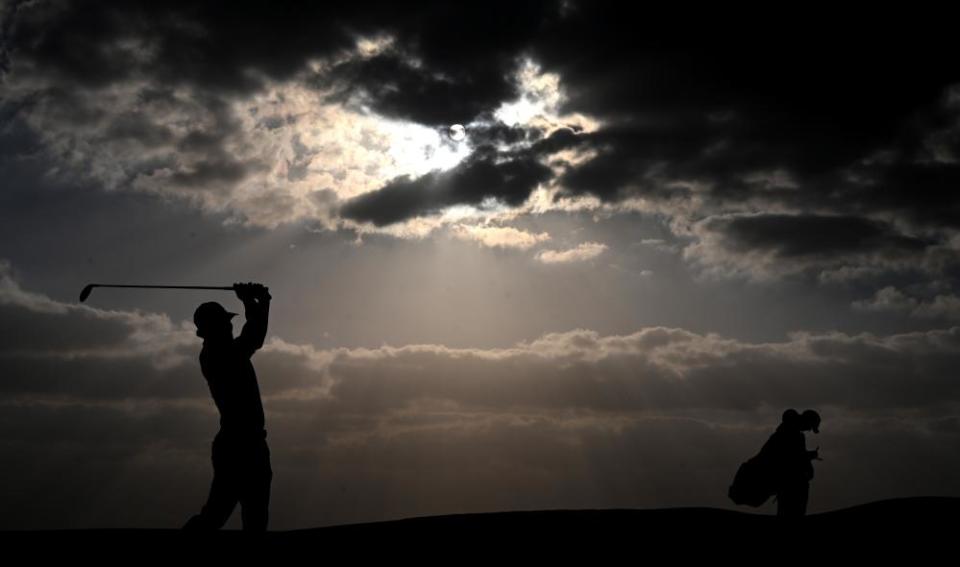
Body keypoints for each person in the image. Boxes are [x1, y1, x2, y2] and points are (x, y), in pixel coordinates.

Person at [183, 282, 273, 531]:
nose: (230, 325)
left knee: (253, 518)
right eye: (225, 322)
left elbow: (252, 337)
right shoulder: (217, 354)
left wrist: (257, 302)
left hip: (249, 443)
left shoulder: (225, 351)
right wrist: (254, 301)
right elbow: (254, 337)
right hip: (238, 446)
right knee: (216, 516)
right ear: (211, 328)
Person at [759, 409, 821, 517]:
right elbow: (791, 459)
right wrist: (810, 456)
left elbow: (795, 456)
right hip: (791, 487)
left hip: (789, 486)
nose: (809, 430)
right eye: (811, 426)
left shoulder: (791, 433)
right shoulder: (791, 435)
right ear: (807, 421)